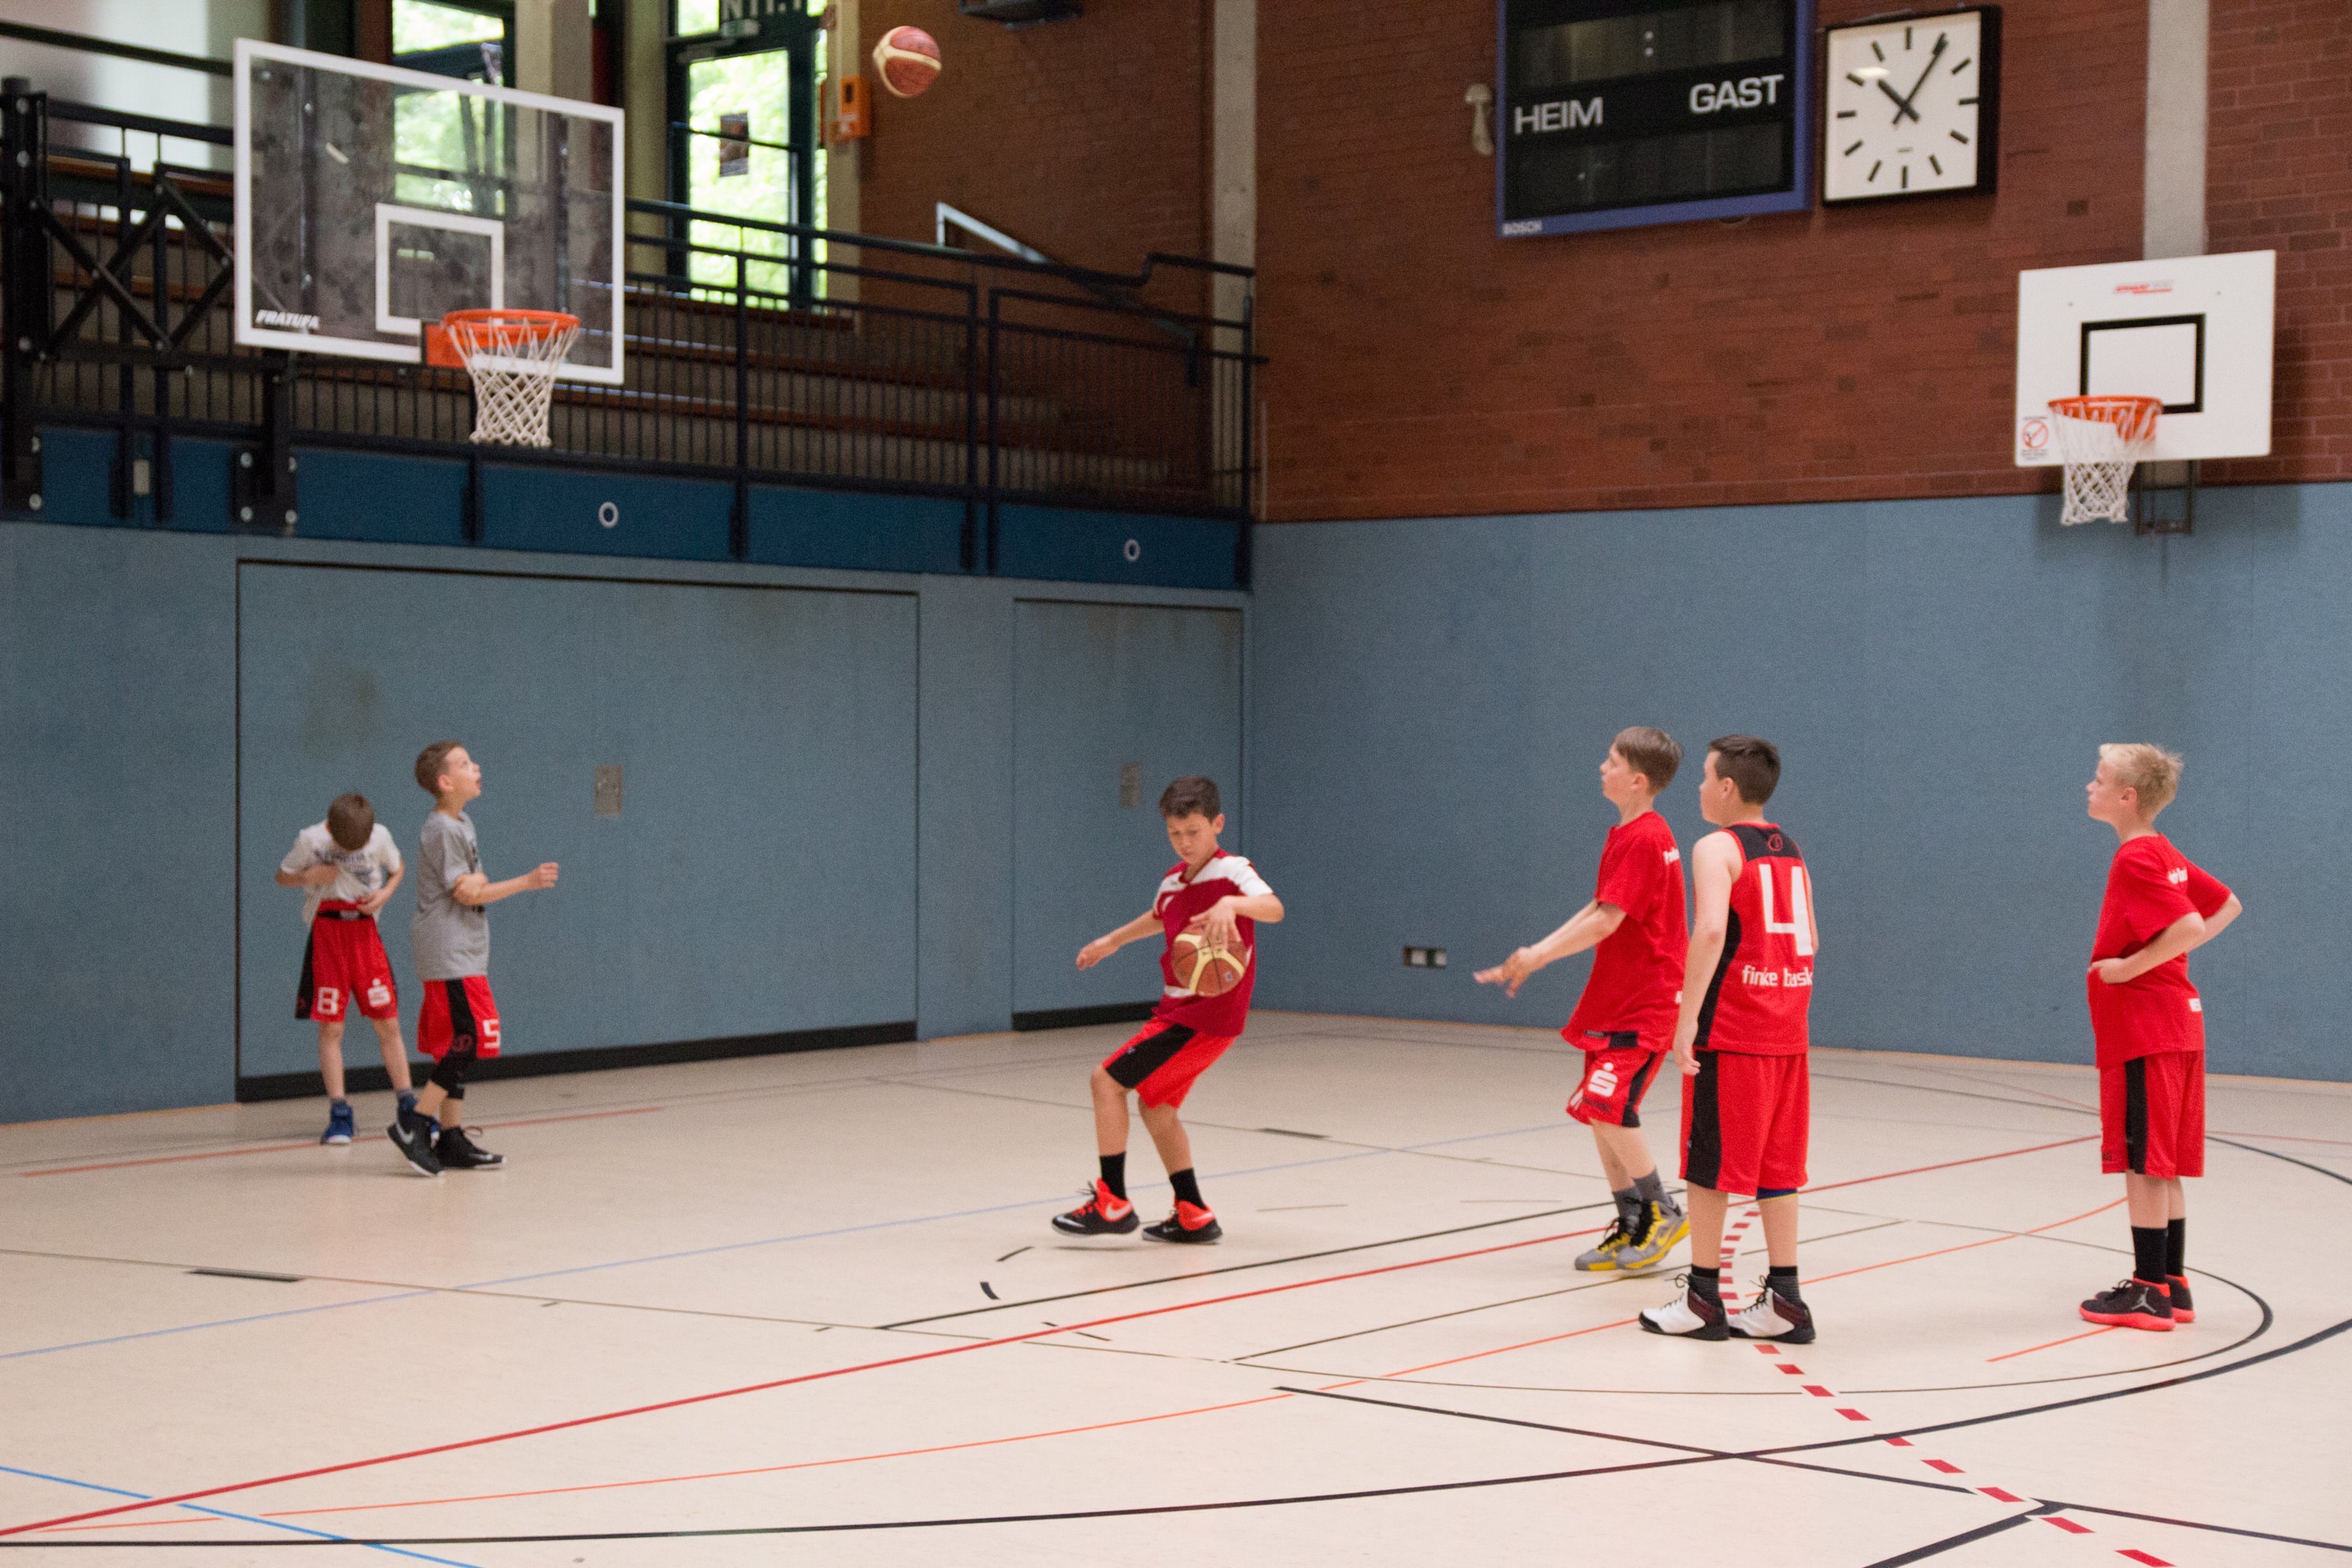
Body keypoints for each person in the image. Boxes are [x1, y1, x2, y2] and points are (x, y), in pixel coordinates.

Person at [1477, 726, 1690, 1272]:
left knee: (1608, 1106)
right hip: (1615, 998)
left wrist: (1541, 955)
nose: (1602, 767)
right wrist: (1536, 951)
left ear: (1637, 780)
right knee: (1600, 1114)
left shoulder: (1647, 837)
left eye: (1612, 761)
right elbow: (1599, 905)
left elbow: (1605, 922)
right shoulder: (1628, 833)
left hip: (1645, 1000)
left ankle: (1663, 1210)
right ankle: (1632, 1220)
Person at [1640, 735, 1819, 1343]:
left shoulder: (1715, 846)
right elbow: (1812, 938)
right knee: (1777, 1170)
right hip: (1788, 1031)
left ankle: (1702, 1298)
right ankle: (1786, 1301)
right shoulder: (1790, 849)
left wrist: (1687, 1018)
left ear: (1726, 787)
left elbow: (1712, 930)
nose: (1697, 787)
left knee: (1708, 1167)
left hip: (1734, 1029)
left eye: (1704, 776)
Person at [1053, 775, 1283, 1243]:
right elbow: (1159, 916)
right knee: (1156, 1107)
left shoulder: (1234, 871)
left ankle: (1111, 1202)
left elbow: (1273, 907)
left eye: (1193, 831)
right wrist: (1112, 941)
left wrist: (1232, 905)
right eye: (1175, 834)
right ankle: (1193, 1212)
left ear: (1217, 824)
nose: (1184, 842)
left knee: (1105, 1081)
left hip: (1202, 1018)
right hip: (1181, 1014)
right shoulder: (1174, 881)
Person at [2078, 743, 2241, 1331]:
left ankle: (2148, 1291)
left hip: (2146, 1027)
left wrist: (2129, 968)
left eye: (2099, 780)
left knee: (2143, 1161)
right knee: (2162, 1161)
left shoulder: (2136, 858)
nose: (2089, 787)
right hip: (2177, 1022)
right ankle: (2173, 1282)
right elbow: (2228, 905)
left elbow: (2191, 924)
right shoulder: (2162, 851)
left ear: (2127, 797)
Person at [387, 741, 558, 1177]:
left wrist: (478, 880)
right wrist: (525, 882)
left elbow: (473, 882)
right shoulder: (443, 829)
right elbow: (467, 891)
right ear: (445, 782)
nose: (476, 767)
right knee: (471, 1037)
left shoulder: (462, 823)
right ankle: (414, 1123)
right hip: (449, 950)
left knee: (454, 1040)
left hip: (462, 948)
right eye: (465, 764)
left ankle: (451, 1137)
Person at [275, 793, 414, 1144]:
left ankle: (407, 1105)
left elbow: (398, 868)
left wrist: (386, 893)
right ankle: (339, 1113)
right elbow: (282, 876)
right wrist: (309, 876)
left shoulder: (380, 836)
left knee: (388, 1022)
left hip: (365, 935)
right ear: (331, 831)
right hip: (328, 936)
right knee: (331, 1027)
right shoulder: (310, 839)